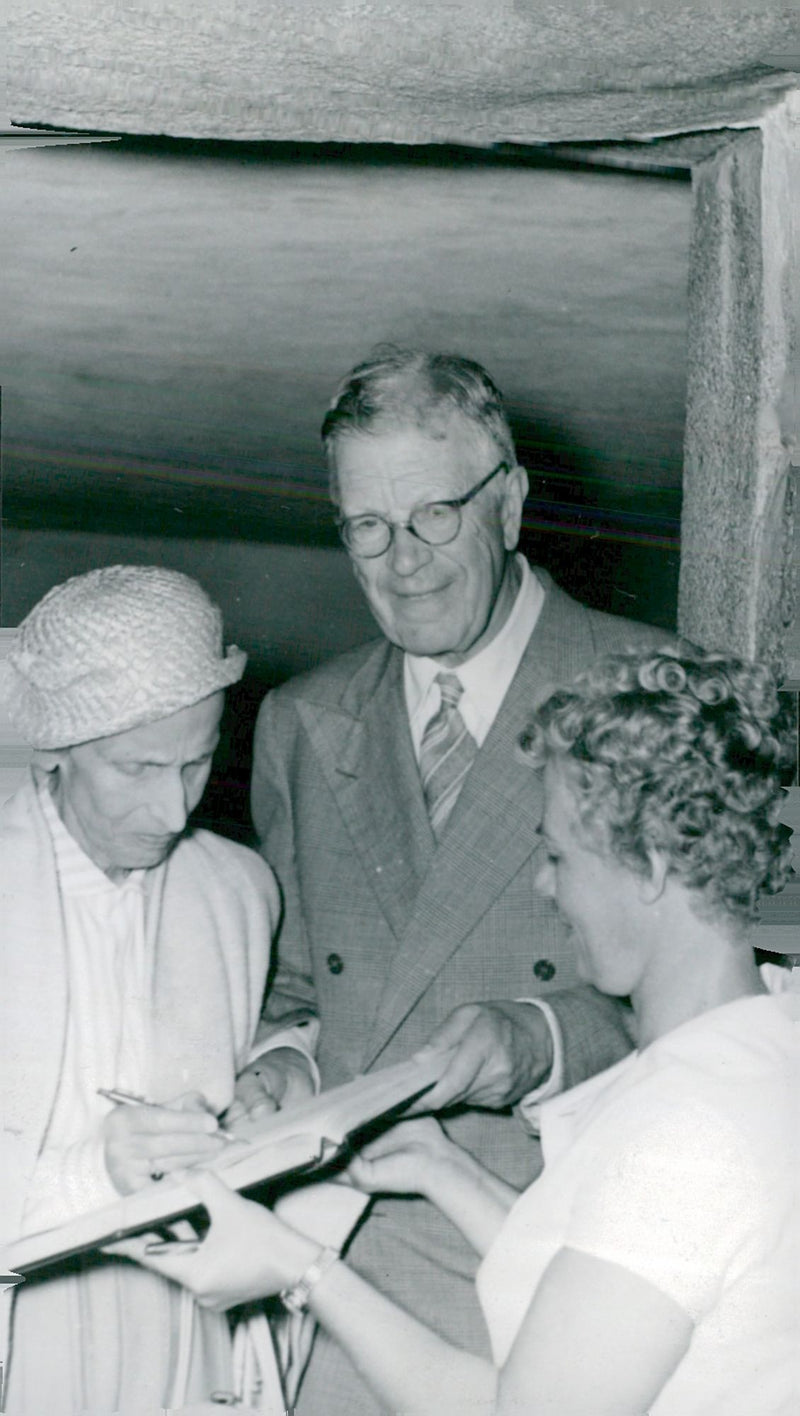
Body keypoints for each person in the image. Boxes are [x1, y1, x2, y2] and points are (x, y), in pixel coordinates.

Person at [118, 644, 799, 1416]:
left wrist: (301, 1272)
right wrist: (446, 1172)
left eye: (555, 856)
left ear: (646, 868)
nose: (545, 886)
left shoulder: (689, 1128)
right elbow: (619, 1280)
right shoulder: (759, 1047)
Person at [232, 348, 669, 1413]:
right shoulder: (301, 722)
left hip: (563, 1256)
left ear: (508, 504)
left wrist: (537, 1038)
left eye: (432, 517)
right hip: (338, 1260)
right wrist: (281, 1069)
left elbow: (723, 1000)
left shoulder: (651, 693)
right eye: (364, 528)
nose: (400, 563)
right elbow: (295, 993)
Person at [0, 566, 282, 1414]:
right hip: (26, 1323)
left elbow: (276, 1023)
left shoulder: (239, 887)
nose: (171, 809)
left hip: (187, 1330)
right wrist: (92, 1173)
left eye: (196, 764)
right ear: (54, 746)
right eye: (137, 767)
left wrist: (282, 1071)